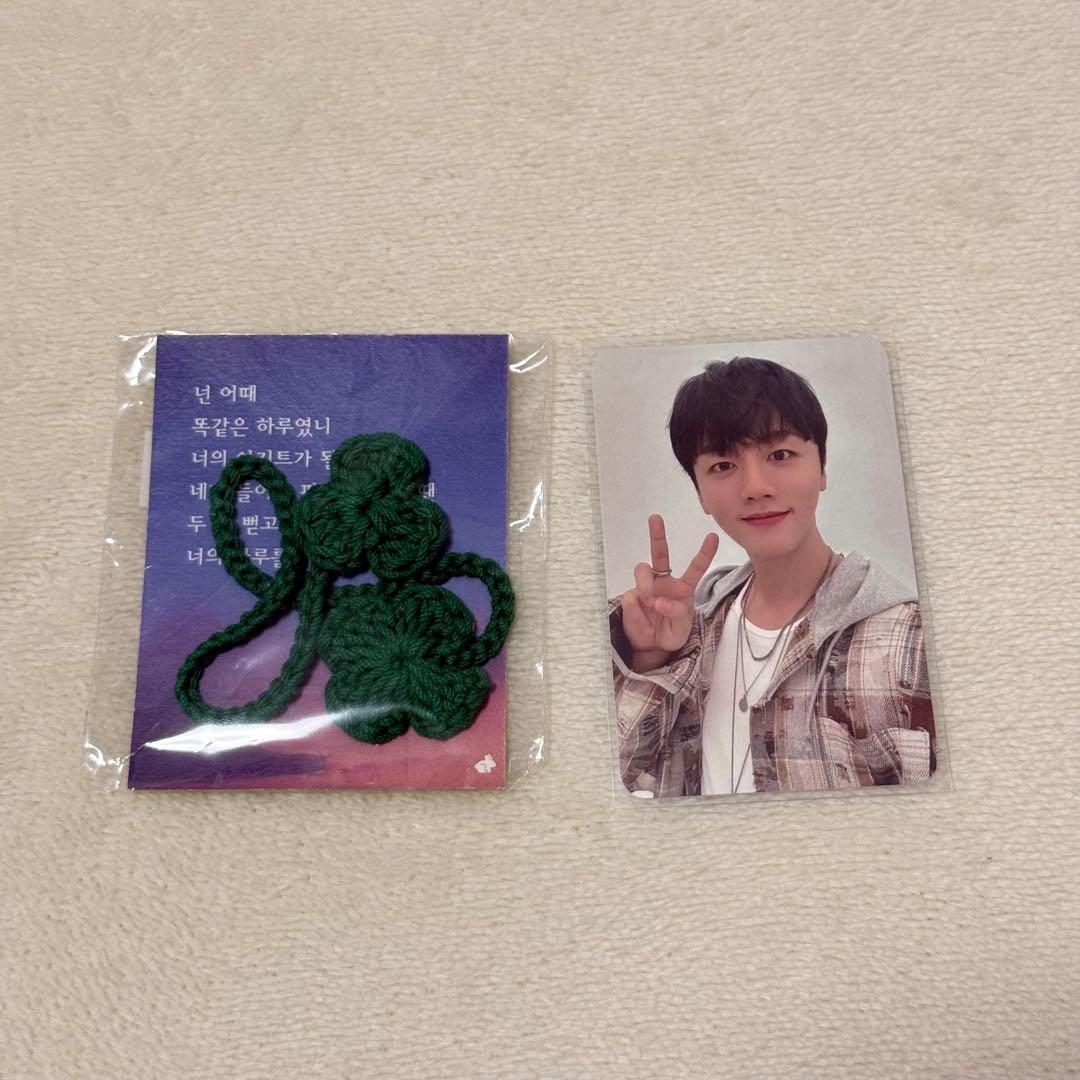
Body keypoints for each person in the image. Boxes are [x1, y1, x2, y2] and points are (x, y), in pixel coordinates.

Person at [609, 356, 936, 798]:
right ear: (700, 493)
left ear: (822, 468)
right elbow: (619, 780)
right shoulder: (690, 631)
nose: (756, 487)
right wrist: (650, 659)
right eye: (723, 465)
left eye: (780, 455)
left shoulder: (912, 640)